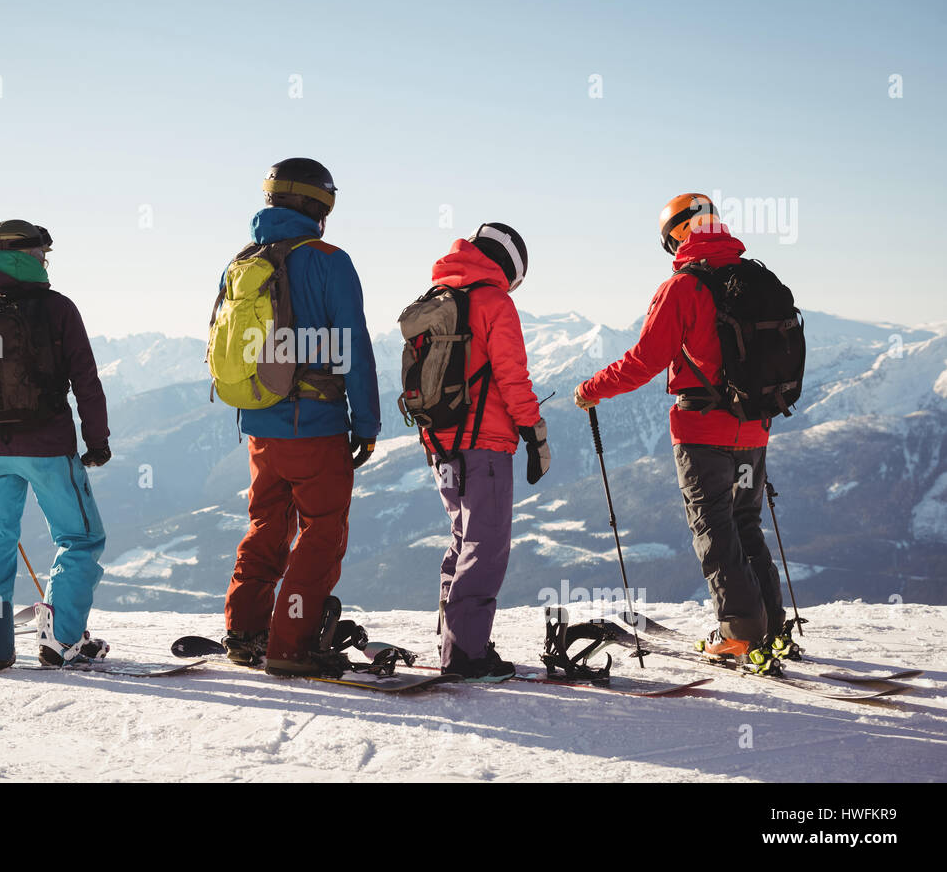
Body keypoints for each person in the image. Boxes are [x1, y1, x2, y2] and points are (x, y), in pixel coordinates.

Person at [573, 193, 788, 668]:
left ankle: (739, 632)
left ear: (676, 235)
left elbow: (644, 360)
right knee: (746, 523)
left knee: (713, 525)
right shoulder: (756, 278)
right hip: (753, 430)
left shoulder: (684, 287)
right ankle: (773, 627)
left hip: (702, 431)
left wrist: (592, 388)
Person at [217, 158, 381, 676]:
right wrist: (368, 424)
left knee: (266, 523)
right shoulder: (329, 260)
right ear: (321, 206)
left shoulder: (242, 262)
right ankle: (290, 643)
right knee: (322, 533)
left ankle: (245, 630)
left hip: (260, 426)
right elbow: (353, 344)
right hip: (316, 425)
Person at [0, 220, 110, 674]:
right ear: (29, 256)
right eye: (43, 253)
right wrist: (96, 441)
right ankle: (61, 641)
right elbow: (86, 381)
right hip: (47, 446)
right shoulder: (57, 309)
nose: (46, 260)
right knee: (80, 538)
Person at [411, 223, 550, 678]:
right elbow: (512, 377)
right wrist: (534, 432)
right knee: (486, 545)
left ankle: (454, 646)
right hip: (485, 445)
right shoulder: (494, 302)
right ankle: (467, 655)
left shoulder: (435, 298)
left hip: (439, 442)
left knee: (461, 540)